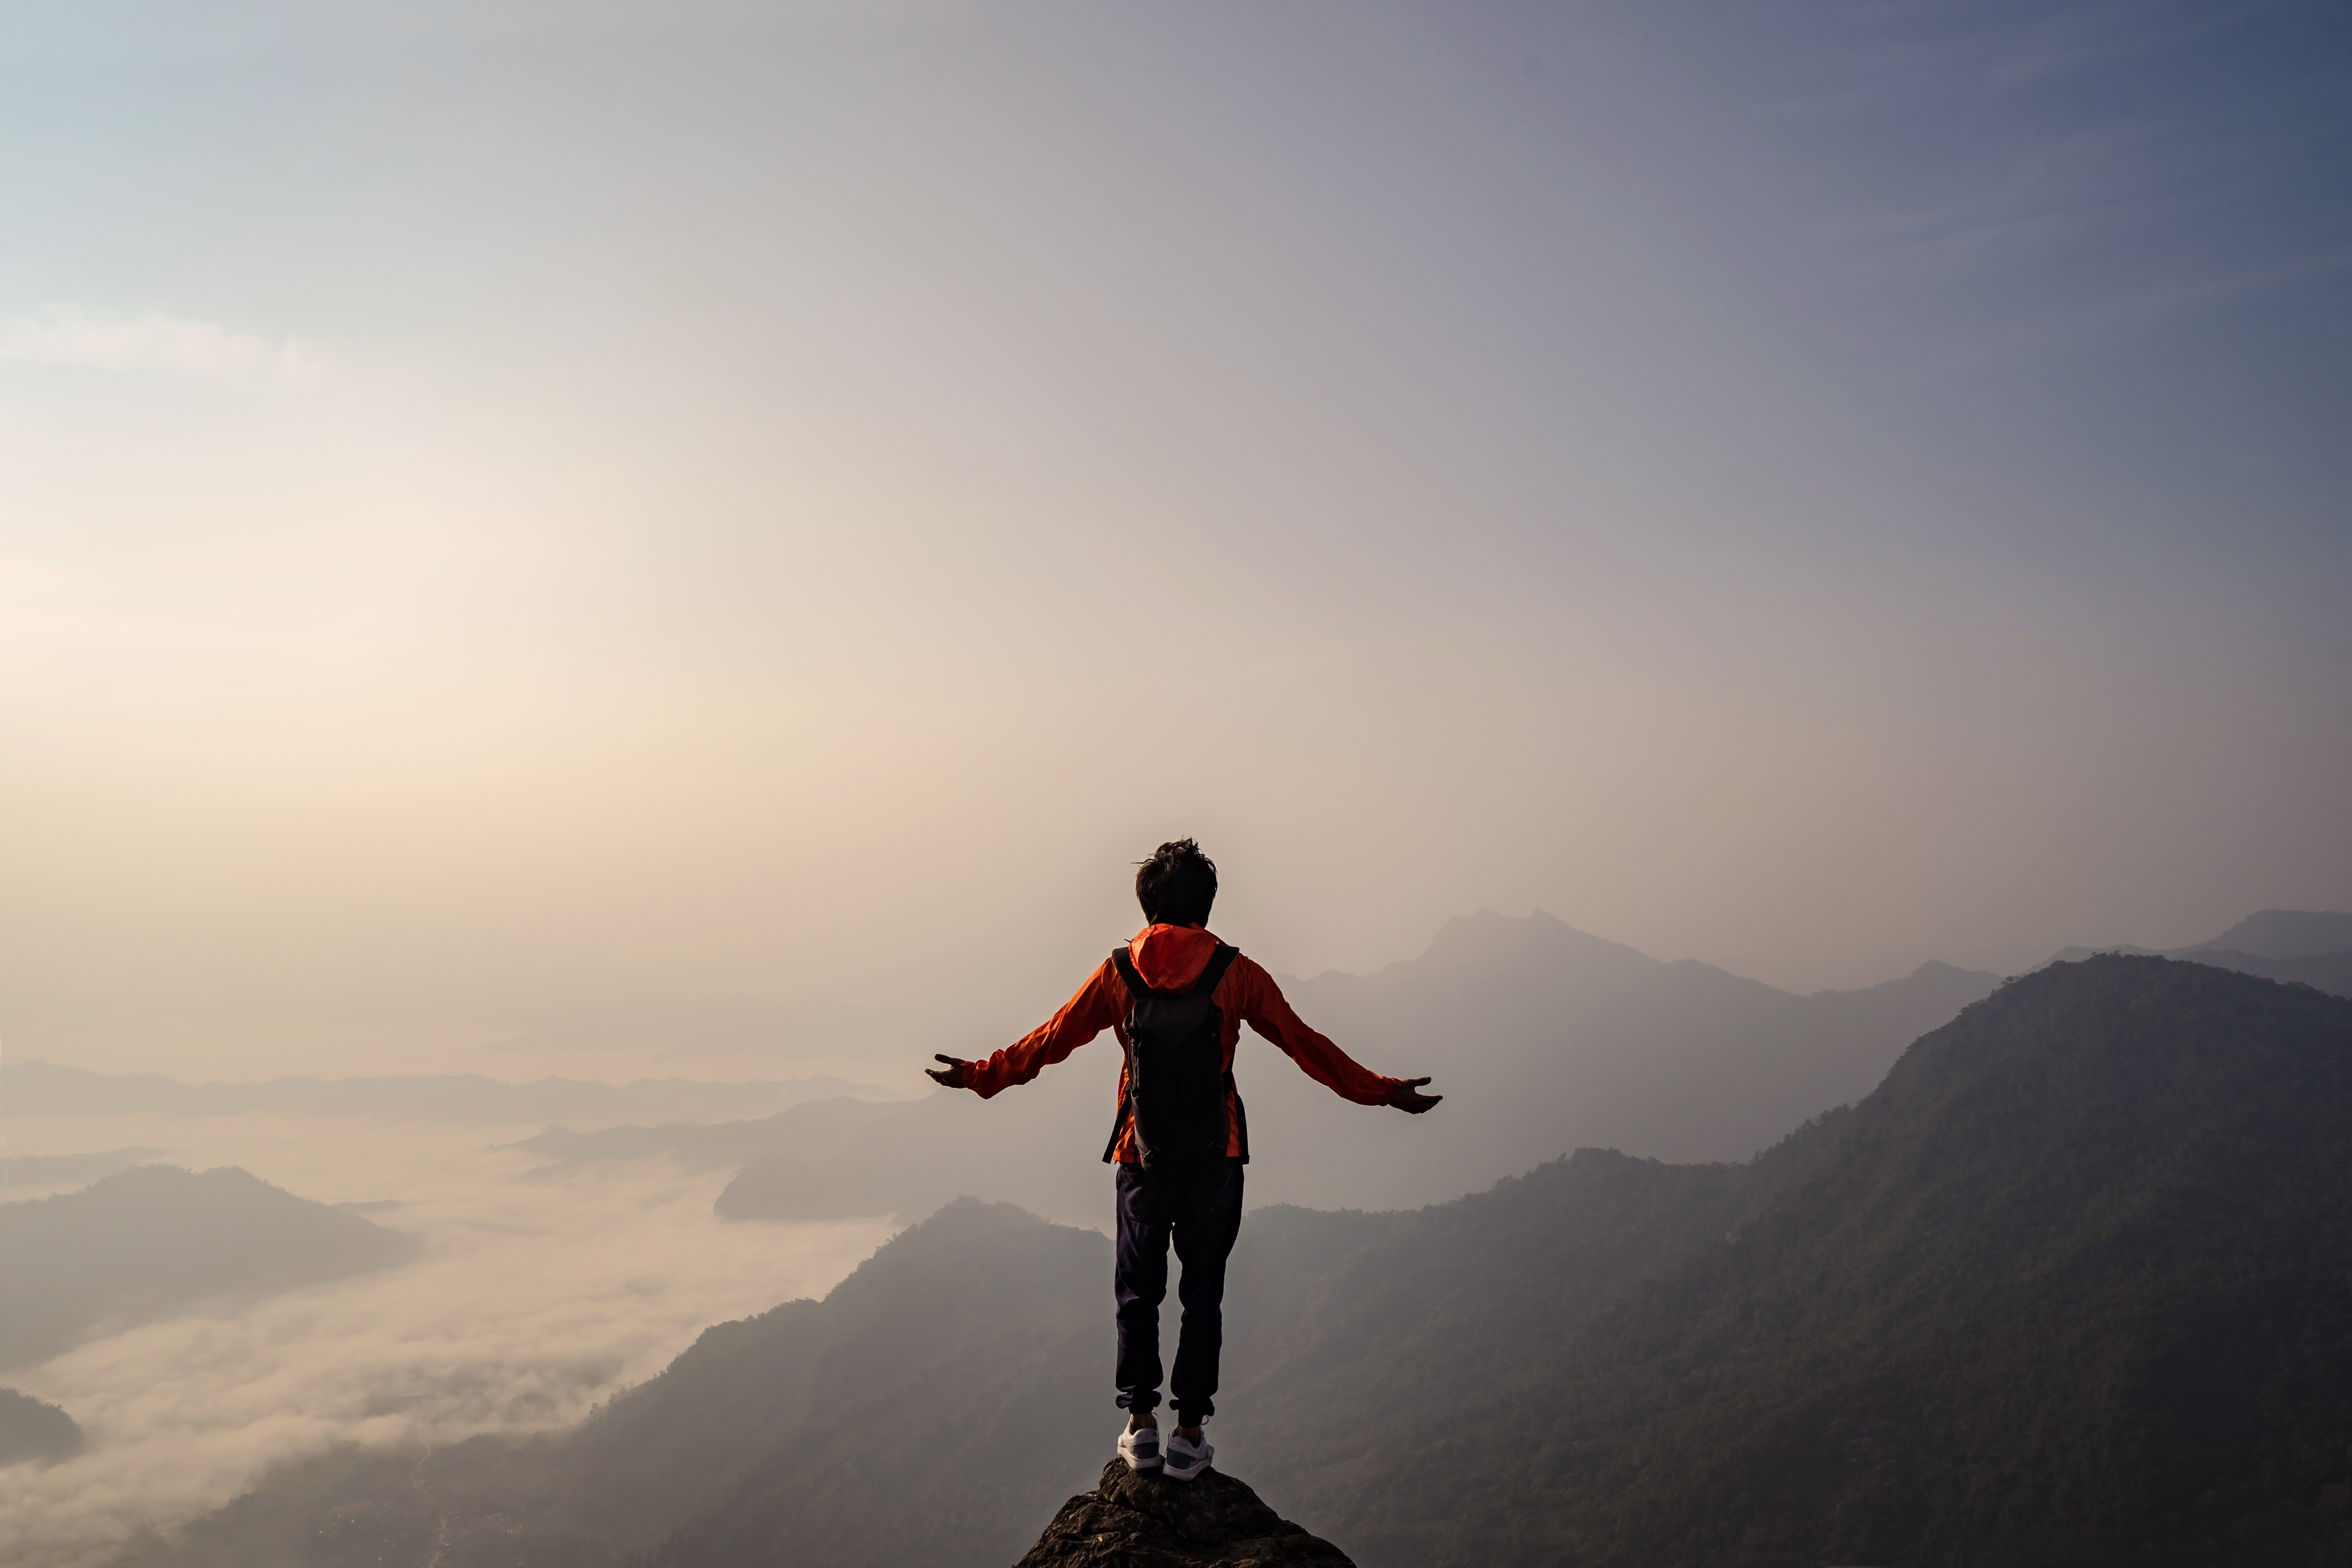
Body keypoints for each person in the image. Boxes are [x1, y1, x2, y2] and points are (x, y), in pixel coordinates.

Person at [926, 839, 1440, 1481]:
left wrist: (981, 1075)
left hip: (1140, 1157)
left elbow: (1050, 1040)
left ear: (1147, 905)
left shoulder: (1119, 971)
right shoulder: (1236, 972)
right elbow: (1307, 1046)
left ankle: (1140, 1427)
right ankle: (1188, 1436)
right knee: (1203, 1297)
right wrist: (1384, 1092)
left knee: (1138, 1293)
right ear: (1207, 904)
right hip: (1215, 1158)